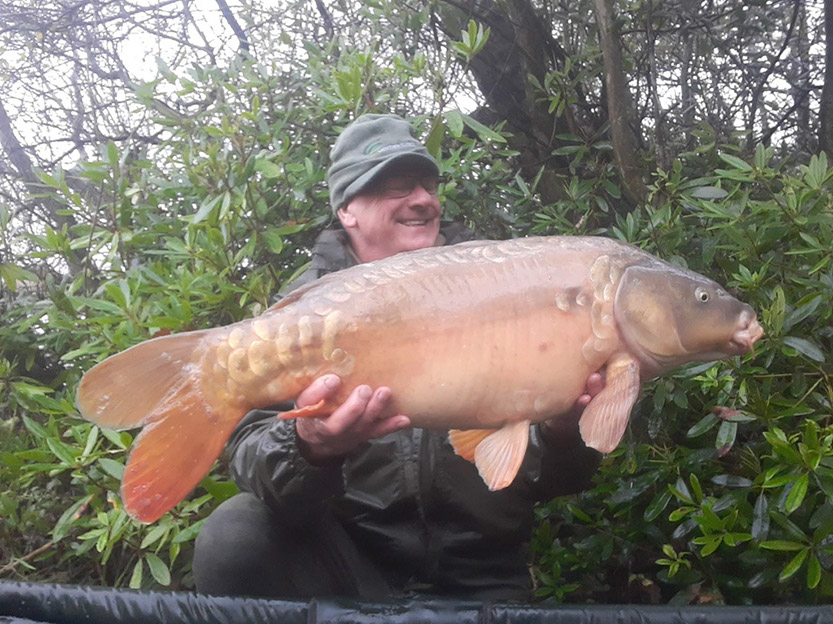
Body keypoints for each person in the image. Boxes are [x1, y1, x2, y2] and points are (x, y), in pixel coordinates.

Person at [192, 113, 603, 601]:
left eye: (427, 185)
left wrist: (563, 431)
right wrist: (310, 444)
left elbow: (561, 480)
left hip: (482, 578)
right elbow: (251, 457)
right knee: (232, 534)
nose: (423, 199)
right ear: (348, 210)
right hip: (353, 569)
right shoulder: (303, 315)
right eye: (396, 187)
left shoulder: (502, 285)